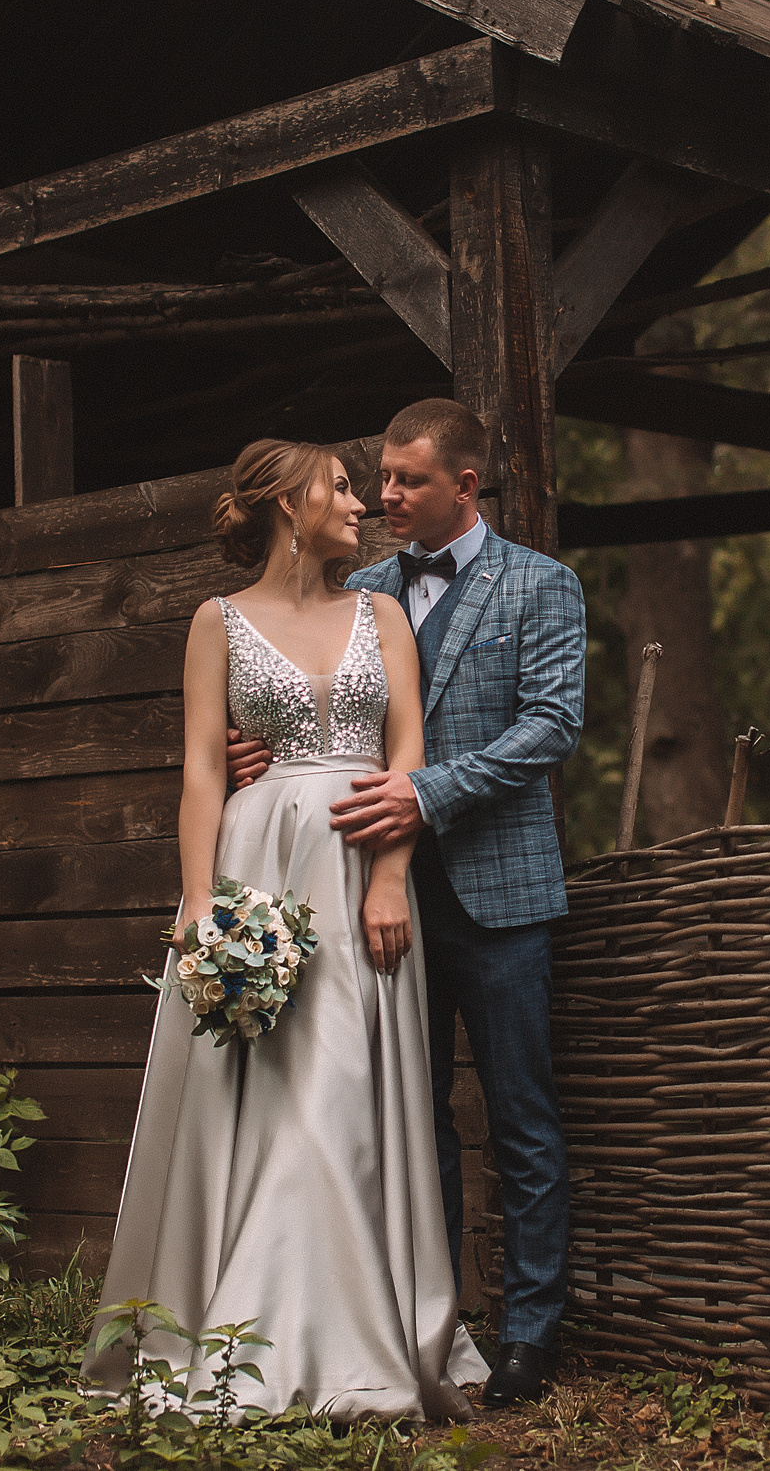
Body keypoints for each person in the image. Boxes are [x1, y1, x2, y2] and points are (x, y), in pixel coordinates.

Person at [87, 439, 489, 1423]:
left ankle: (350, 1341)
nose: (361, 503)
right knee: (263, 1088)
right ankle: (244, 1336)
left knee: (342, 1090)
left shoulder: (382, 614)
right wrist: (198, 902)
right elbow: (200, 769)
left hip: (359, 872)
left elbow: (407, 747)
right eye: (340, 487)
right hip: (255, 867)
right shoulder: (215, 622)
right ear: (284, 504)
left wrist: (390, 878)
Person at [226, 399, 585, 1408]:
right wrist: (257, 748)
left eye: (406, 480)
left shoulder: (541, 584)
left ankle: (529, 1334)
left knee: (520, 1117)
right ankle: (429, 1323)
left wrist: (428, 791)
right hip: (370, 895)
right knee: (406, 1116)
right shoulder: (364, 590)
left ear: (463, 486)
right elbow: (311, 698)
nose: (383, 495)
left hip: (500, 894)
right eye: (378, 477)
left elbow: (553, 723)